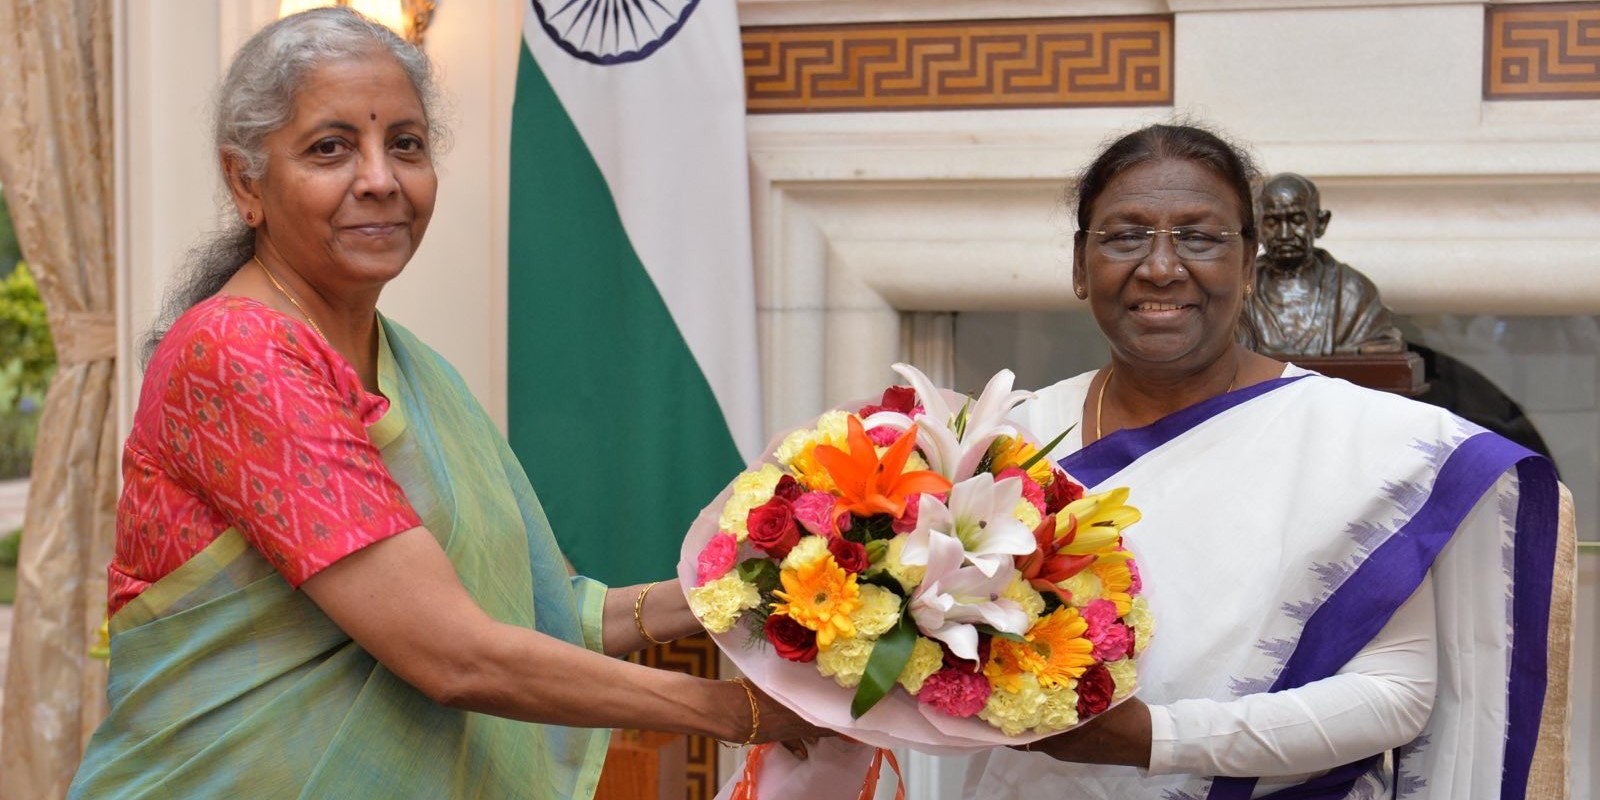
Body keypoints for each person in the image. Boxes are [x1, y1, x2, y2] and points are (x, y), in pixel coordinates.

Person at [68, 9, 823, 798]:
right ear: (245, 183)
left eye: (406, 143)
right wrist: (738, 709)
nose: (380, 179)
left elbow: (552, 611)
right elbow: (454, 655)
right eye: (330, 148)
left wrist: (767, 584)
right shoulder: (235, 355)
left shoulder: (412, 367)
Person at [964, 124, 1559, 798]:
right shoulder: (1008, 438)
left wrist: (1156, 739)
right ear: (1080, 264)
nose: (1161, 266)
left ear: (1249, 266)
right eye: (1126, 236)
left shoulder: (1358, 441)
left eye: (1201, 237)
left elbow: (1395, 693)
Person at [1240, 172, 1405, 356]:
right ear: (1257, 228)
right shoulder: (1238, 291)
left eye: (1297, 220)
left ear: (1320, 223)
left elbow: (1383, 349)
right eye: (1272, 222)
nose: (1285, 234)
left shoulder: (1353, 291)